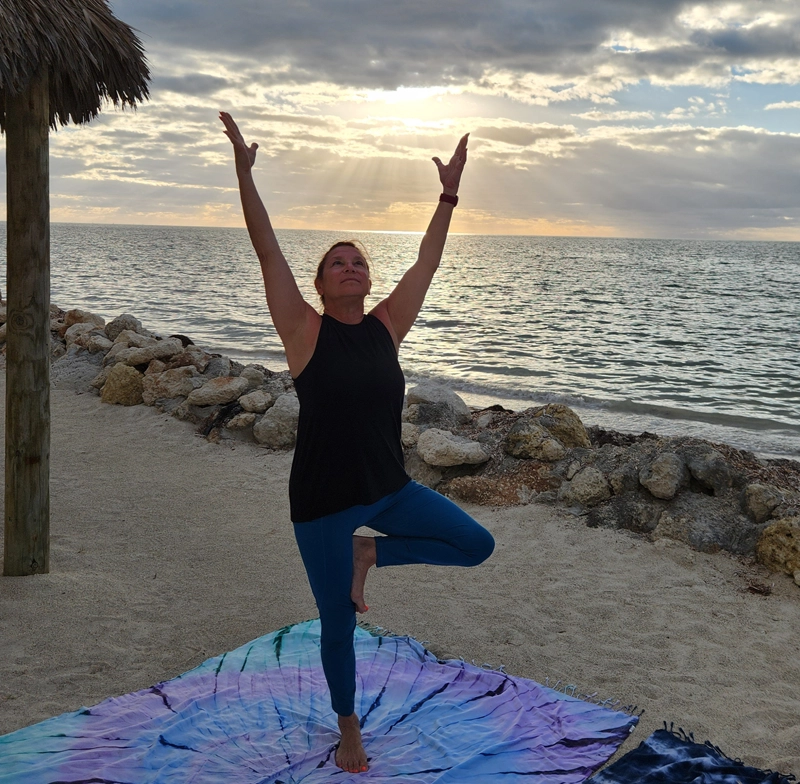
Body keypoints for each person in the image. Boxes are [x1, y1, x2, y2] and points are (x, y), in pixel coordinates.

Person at [220, 112, 495, 774]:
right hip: (321, 502)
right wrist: (244, 173)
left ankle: (369, 551)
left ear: (369, 280)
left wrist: (448, 195)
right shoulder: (303, 331)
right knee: (338, 626)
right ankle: (349, 729)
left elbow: (429, 259)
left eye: (358, 261)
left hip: (388, 488)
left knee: (475, 544)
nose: (349, 267)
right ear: (318, 285)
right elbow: (267, 251)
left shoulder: (386, 324)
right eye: (336, 263)